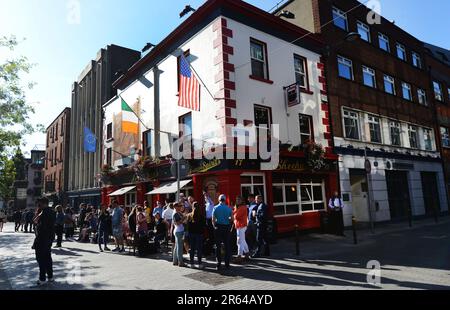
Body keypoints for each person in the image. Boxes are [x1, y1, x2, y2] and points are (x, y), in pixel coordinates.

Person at [32, 197, 56, 285]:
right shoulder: (52, 211)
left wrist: (37, 240)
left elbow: (40, 225)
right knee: (48, 258)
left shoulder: (44, 213)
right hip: (49, 238)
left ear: (43, 203)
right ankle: (50, 277)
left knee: (41, 259)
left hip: (42, 238)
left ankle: (42, 278)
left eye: (39, 204)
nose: (38, 205)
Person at [212, 194, 233, 271]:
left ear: (219, 200)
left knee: (218, 246)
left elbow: (213, 220)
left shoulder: (215, 208)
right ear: (225, 200)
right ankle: (227, 263)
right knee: (227, 245)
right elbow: (232, 219)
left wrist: (215, 226)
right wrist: (227, 220)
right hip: (226, 227)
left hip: (218, 227)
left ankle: (218, 264)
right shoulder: (228, 208)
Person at [187, 202, 206, 269]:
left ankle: (192, 264)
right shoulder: (202, 216)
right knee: (199, 249)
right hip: (199, 234)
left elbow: (187, 226)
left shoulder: (189, 215)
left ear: (192, 207)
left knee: (192, 249)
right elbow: (204, 226)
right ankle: (199, 264)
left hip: (191, 234)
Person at [233, 197, 250, 263]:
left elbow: (236, 216)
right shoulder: (239, 207)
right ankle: (247, 254)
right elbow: (235, 214)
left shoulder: (242, 207)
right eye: (237, 200)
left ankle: (239, 256)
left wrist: (234, 212)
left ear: (242, 201)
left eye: (239, 200)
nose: (237, 201)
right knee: (242, 240)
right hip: (239, 225)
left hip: (241, 226)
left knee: (239, 241)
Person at [172, 203, 186, 267]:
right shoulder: (175, 213)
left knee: (177, 247)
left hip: (178, 231)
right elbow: (177, 223)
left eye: (180, 206)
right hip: (178, 231)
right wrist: (183, 219)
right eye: (179, 206)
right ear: (175, 207)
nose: (180, 207)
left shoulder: (178, 212)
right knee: (179, 247)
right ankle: (180, 262)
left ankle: (175, 261)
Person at [204, 191, 215, 256]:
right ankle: (208, 250)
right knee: (208, 236)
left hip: (210, 220)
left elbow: (209, 199)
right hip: (207, 220)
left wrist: (206, 195)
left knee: (211, 236)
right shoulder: (206, 205)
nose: (205, 199)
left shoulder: (211, 203)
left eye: (206, 198)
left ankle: (211, 249)